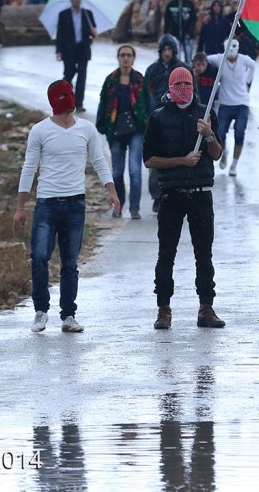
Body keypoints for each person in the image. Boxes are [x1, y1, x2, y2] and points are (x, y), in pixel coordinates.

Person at [14, 81, 120, 333]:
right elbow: (29, 168)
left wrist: (112, 191)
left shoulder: (86, 129)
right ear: (53, 100)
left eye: (69, 95)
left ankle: (68, 315)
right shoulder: (39, 130)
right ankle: (41, 311)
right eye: (61, 97)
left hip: (75, 203)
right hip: (46, 204)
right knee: (39, 257)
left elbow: (99, 161)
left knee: (70, 262)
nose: (66, 101)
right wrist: (20, 207)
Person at [142, 68, 225, 330]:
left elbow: (217, 153)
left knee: (204, 253)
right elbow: (149, 160)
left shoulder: (206, 112)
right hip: (172, 195)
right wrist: (181, 161)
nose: (183, 88)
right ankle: (163, 309)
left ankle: (206, 307)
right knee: (166, 253)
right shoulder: (158, 117)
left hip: (200, 194)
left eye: (187, 83)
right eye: (178, 84)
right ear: (169, 87)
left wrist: (209, 133)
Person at [96, 44, 148, 219]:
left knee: (134, 170)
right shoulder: (110, 80)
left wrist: (149, 123)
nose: (125, 58)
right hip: (116, 131)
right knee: (117, 172)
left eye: (129, 55)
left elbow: (148, 104)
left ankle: (134, 208)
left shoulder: (140, 79)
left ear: (133, 58)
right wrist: (101, 123)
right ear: (118, 58)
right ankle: (119, 205)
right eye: (122, 55)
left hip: (136, 130)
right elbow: (103, 102)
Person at [143, 34, 189, 213]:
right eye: (164, 50)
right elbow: (145, 95)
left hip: (179, 121)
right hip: (156, 121)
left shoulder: (183, 69)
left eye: (170, 50)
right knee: (156, 162)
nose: (167, 53)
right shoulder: (152, 70)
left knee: (179, 160)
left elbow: (194, 93)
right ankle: (157, 196)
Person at [206, 39, 255, 177]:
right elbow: (206, 59)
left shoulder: (244, 60)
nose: (232, 50)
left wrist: (248, 81)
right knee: (220, 133)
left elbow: (253, 65)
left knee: (239, 132)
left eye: (234, 46)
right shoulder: (220, 59)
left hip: (242, 102)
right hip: (225, 103)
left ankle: (234, 164)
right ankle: (224, 152)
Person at [55, 0, 97, 112]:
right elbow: (60, 34)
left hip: (83, 48)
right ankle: (66, 100)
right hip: (68, 49)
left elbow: (93, 32)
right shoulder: (64, 14)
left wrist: (94, 33)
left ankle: (79, 103)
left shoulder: (87, 14)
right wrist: (59, 50)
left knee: (82, 76)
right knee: (68, 74)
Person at [164, 0, 197, 64]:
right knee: (176, 59)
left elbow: (193, 19)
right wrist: (167, 34)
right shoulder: (171, 5)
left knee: (188, 59)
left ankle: (188, 74)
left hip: (188, 36)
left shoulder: (189, 4)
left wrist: (190, 32)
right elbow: (167, 20)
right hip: (174, 35)